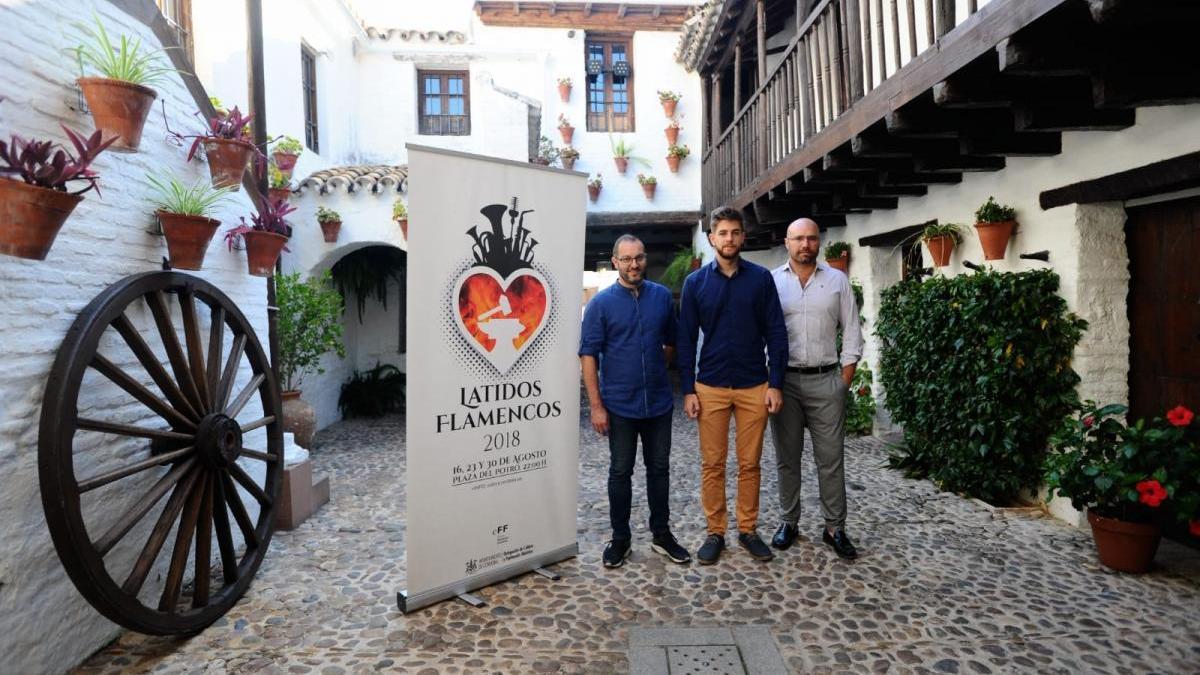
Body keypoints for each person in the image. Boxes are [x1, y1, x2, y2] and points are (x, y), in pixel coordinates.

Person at [677, 206, 789, 565]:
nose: (729, 239)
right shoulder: (696, 283)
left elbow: (775, 331)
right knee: (712, 464)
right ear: (712, 239)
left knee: (750, 463)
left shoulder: (760, 279)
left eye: (735, 233)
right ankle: (715, 532)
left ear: (743, 237)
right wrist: (688, 390)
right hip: (709, 385)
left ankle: (748, 529)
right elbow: (684, 339)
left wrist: (775, 383)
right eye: (722, 233)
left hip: (754, 384)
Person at [580, 234, 692, 568]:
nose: (634, 265)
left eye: (639, 257)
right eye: (627, 259)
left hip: (658, 402)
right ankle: (620, 539)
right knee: (620, 470)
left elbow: (673, 341)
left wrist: (661, 367)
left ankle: (662, 534)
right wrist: (596, 406)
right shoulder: (600, 304)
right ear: (615, 262)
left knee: (659, 469)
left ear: (645, 259)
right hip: (619, 405)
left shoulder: (660, 297)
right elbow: (588, 356)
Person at [768, 218, 864, 559]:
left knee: (830, 459)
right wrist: (770, 381)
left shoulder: (837, 280)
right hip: (785, 382)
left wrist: (843, 381)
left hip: (827, 380)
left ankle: (834, 527)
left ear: (818, 242)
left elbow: (852, 331)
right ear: (787, 242)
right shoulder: (772, 283)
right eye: (798, 239)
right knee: (786, 459)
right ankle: (788, 522)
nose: (805, 244)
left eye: (811, 238)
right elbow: (763, 333)